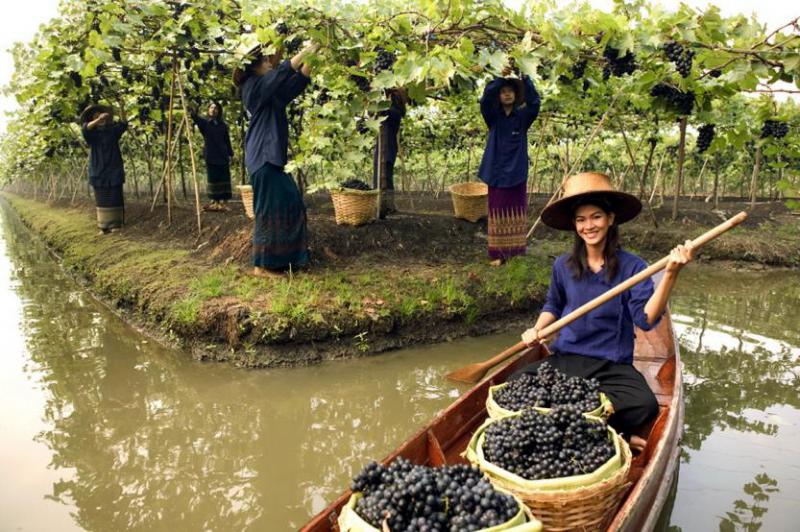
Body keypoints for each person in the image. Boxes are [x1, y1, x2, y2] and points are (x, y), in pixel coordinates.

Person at [514, 172, 693, 451]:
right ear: (575, 226)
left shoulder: (633, 267)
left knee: (644, 405)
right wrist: (537, 330)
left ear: (610, 219)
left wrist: (671, 273)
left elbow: (645, 320)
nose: (589, 226)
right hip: (568, 358)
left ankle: (583, 428)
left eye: (596, 217)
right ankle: (608, 430)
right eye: (581, 219)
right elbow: (553, 305)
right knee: (516, 383)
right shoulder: (563, 265)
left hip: (611, 364)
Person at [233, 39, 319, 278]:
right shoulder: (253, 87)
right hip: (263, 156)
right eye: (263, 60)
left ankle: (283, 261)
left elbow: (294, 83)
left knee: (291, 204)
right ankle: (262, 265)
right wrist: (306, 50)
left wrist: (313, 57)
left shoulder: (270, 94)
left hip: (272, 158)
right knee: (268, 210)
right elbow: (281, 73)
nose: (269, 63)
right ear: (252, 67)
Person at [478, 65, 541, 266]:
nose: (507, 95)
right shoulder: (493, 117)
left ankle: (514, 253)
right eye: (503, 92)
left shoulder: (522, 117)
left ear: (516, 96)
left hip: (516, 172)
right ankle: (498, 255)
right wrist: (500, 76)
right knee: (497, 211)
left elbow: (535, 103)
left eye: (511, 92)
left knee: (516, 211)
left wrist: (525, 76)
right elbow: (485, 100)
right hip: (496, 172)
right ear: (499, 96)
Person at [81, 102, 128, 234]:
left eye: (101, 116)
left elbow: (124, 124)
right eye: (95, 116)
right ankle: (103, 226)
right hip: (98, 170)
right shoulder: (91, 135)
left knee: (115, 196)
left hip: (114, 168)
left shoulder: (112, 131)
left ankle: (116, 224)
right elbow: (85, 129)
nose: (100, 118)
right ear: (92, 119)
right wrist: (98, 119)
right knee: (102, 198)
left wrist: (122, 107)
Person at [191, 101, 234, 211]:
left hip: (222, 155)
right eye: (211, 108)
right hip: (211, 155)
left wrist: (230, 153)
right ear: (208, 110)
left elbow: (227, 140)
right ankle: (215, 202)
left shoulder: (223, 125)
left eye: (215, 108)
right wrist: (194, 109)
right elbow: (195, 117)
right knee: (213, 178)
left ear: (219, 111)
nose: (213, 110)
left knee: (224, 177)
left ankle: (224, 202)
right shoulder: (205, 124)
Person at [373, 88, 407, 217]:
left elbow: (377, 110)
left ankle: (384, 206)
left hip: (386, 149)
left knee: (384, 177)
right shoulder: (396, 111)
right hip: (386, 148)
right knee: (385, 177)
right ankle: (385, 205)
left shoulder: (393, 111)